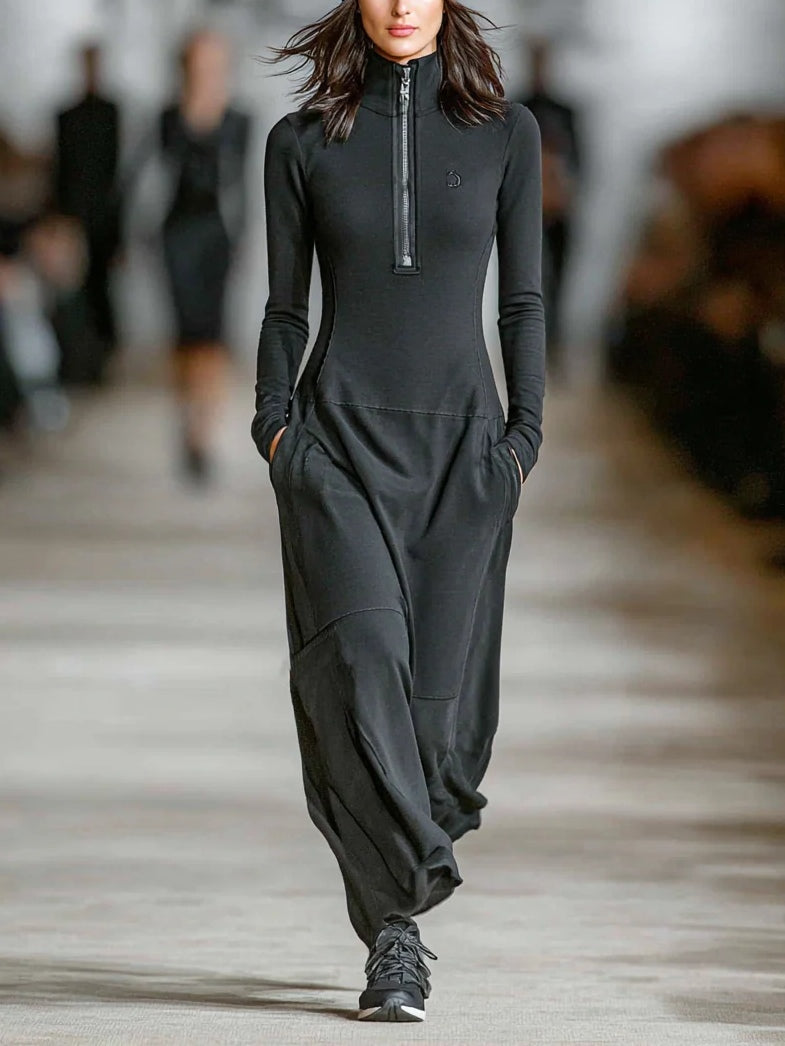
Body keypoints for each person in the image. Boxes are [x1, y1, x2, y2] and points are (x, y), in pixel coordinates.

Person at [252, 0, 544, 1022]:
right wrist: (276, 430)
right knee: (360, 666)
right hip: (336, 447)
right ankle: (394, 938)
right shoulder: (300, 141)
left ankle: (400, 903)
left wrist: (522, 442)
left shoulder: (506, 134)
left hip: (464, 454)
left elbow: (522, 303)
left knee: (433, 721)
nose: (403, 5)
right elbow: (285, 307)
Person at [159, 29, 250, 484]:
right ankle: (186, 422)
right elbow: (157, 178)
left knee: (213, 335)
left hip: (217, 235)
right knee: (185, 334)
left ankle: (204, 435)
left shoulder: (239, 118)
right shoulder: (167, 116)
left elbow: (242, 185)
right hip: (177, 235)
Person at [54, 42, 121, 384]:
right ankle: (82, 357)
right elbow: (61, 171)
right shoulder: (67, 116)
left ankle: (102, 355)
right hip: (75, 218)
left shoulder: (111, 113)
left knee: (102, 287)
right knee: (76, 290)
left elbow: (118, 173)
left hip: (103, 218)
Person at [518, 37, 581, 379]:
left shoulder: (565, 111)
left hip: (556, 209)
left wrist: (563, 195)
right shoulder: (518, 107)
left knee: (558, 279)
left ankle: (553, 346)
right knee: (526, 280)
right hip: (526, 208)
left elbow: (580, 162)